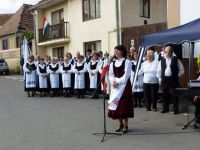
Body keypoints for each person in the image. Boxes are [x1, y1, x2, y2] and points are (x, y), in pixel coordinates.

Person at [108, 45, 134, 134]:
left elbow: (126, 76)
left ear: (122, 51)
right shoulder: (112, 63)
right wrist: (113, 82)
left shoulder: (127, 62)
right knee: (116, 105)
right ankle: (120, 124)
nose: (115, 52)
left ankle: (126, 124)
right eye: (115, 50)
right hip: (115, 87)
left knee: (124, 105)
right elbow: (110, 75)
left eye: (117, 50)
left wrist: (117, 82)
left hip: (124, 86)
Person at [157, 46, 184, 114]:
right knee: (165, 94)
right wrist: (160, 79)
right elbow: (159, 71)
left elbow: (182, 70)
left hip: (173, 79)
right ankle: (165, 109)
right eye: (167, 52)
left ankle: (175, 110)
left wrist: (177, 76)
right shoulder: (162, 60)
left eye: (170, 52)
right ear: (165, 52)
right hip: (164, 79)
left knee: (175, 94)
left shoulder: (176, 59)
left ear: (172, 52)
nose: (169, 53)